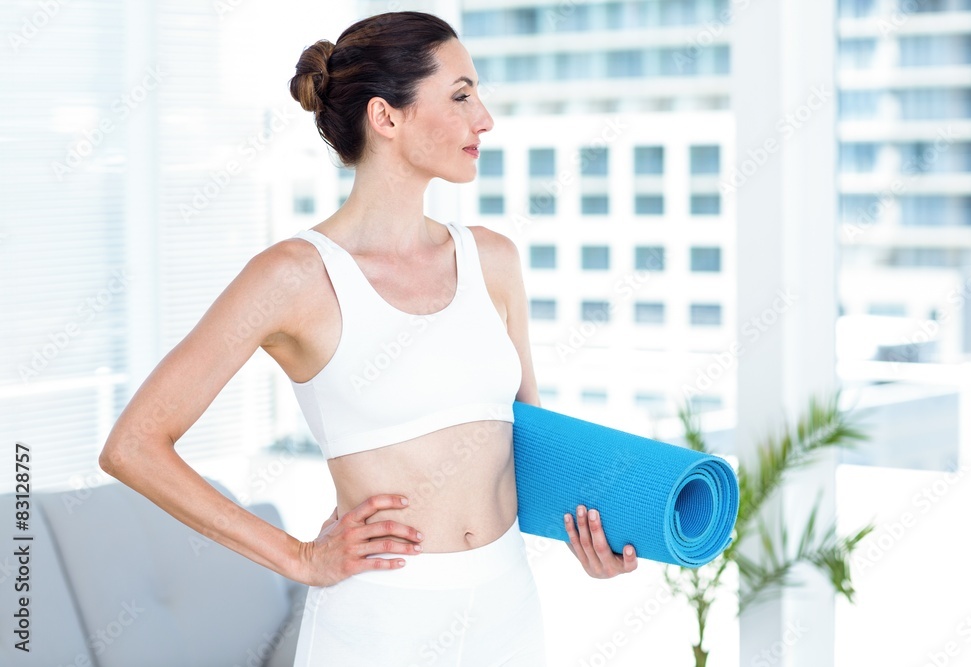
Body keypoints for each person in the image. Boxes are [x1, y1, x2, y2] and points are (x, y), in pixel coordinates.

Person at [99, 10, 638, 666]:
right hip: (380, 626)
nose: (485, 119)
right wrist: (297, 555)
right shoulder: (293, 276)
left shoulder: (493, 260)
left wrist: (595, 533)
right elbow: (133, 446)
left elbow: (524, 438)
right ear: (387, 117)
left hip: (508, 610)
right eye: (462, 95)